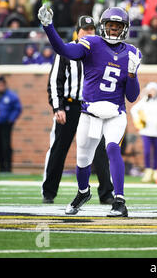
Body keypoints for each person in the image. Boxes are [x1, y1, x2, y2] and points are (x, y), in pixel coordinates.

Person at [37, 4, 141, 217]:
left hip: (115, 113)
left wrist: (132, 74)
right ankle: (83, 192)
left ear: (125, 29)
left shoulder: (132, 52)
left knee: (112, 149)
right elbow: (64, 50)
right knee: (83, 159)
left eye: (117, 26)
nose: (113, 30)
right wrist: (49, 26)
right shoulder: (92, 43)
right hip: (89, 111)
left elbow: (131, 96)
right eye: (110, 26)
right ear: (103, 27)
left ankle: (119, 200)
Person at [42, 16, 115, 205]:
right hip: (70, 105)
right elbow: (54, 82)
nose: (89, 32)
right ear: (78, 31)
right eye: (86, 29)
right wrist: (57, 107)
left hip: (91, 107)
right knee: (59, 148)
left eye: (92, 29)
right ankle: (49, 192)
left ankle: (106, 193)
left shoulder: (100, 51)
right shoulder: (66, 51)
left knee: (100, 150)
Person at [130, 82, 157, 183]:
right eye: (150, 90)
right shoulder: (144, 100)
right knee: (147, 152)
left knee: (156, 152)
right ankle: (148, 172)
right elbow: (133, 110)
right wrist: (138, 121)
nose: (152, 92)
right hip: (146, 131)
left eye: (154, 90)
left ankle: (155, 172)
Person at [0, 76, 22, 173]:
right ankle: (1, 167)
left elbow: (17, 108)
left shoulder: (11, 96)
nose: (0, 87)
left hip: (6, 125)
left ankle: (8, 168)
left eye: (2, 85)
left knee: (6, 145)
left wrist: (11, 119)